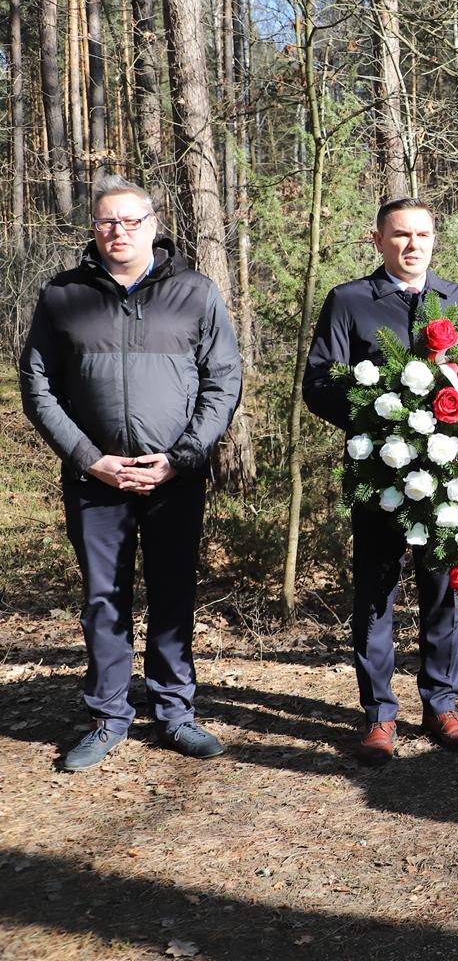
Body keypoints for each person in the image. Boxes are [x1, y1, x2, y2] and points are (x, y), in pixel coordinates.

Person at [20, 175, 242, 771]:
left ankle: (175, 711)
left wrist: (181, 458)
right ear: (93, 229)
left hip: (175, 478)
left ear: (153, 224)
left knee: (173, 594)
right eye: (105, 222)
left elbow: (223, 382)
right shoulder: (62, 295)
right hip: (96, 480)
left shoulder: (194, 291)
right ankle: (109, 715)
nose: (116, 231)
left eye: (129, 220)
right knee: (102, 598)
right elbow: (37, 388)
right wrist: (89, 458)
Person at [304, 197, 458, 764]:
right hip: (377, 476)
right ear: (378, 240)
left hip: (445, 477)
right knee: (377, 593)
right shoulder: (351, 301)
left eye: (423, 235)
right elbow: (319, 382)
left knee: (440, 592)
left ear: (435, 240)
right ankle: (379, 715)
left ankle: (441, 705)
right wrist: (380, 418)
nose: (413, 245)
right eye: (401, 235)